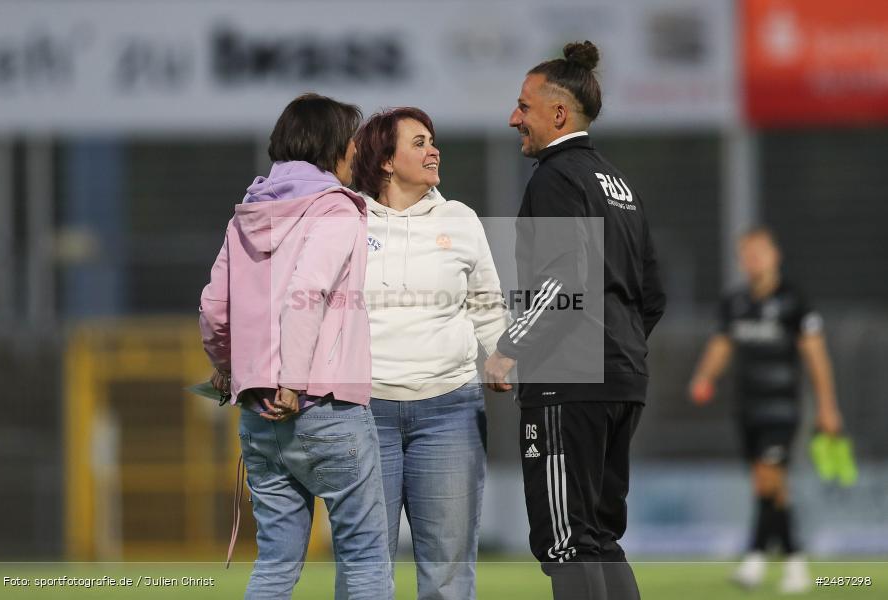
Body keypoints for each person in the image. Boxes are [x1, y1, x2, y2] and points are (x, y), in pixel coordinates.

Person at [483, 41, 666, 600]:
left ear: (558, 114)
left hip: (568, 382)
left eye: (524, 107)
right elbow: (653, 295)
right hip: (623, 378)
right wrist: (616, 349)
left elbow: (565, 278)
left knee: (566, 543)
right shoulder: (618, 183)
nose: (514, 118)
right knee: (601, 540)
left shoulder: (556, 176)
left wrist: (510, 346)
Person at [198, 93, 392, 600]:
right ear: (333, 146)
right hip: (323, 403)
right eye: (351, 141)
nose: (356, 151)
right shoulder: (337, 209)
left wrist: (229, 367)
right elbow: (307, 293)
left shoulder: (248, 213)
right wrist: (292, 381)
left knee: (275, 565)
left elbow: (215, 307)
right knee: (366, 559)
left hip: (258, 411)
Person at [351, 107, 508, 600]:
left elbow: (487, 304)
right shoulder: (346, 219)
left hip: (450, 412)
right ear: (385, 160)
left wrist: (501, 353)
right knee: (365, 571)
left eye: (432, 141)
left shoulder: (460, 219)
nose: (433, 150)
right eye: (418, 143)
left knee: (447, 575)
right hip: (363, 412)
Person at [689, 226, 842, 594]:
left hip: (782, 407)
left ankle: (759, 559)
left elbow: (816, 356)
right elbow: (721, 345)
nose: (753, 259)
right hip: (747, 407)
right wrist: (704, 377)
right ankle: (791, 563)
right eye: (747, 253)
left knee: (767, 478)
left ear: (775, 256)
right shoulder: (736, 303)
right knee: (772, 487)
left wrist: (827, 406)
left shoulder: (793, 301)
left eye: (759, 252)